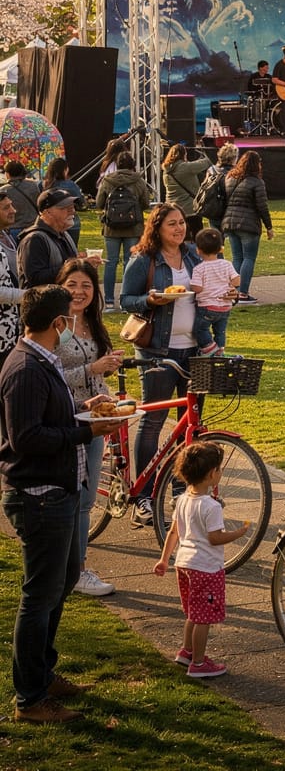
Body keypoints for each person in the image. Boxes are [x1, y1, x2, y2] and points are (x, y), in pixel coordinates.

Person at [0, 284, 119, 723]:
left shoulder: (42, 361)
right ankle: (30, 698)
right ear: (58, 324)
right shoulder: (26, 369)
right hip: (40, 497)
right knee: (39, 596)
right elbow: (26, 439)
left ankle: (44, 674)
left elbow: (50, 414)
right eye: (68, 319)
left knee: (63, 581)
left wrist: (86, 406)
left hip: (61, 491)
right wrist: (87, 431)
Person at [120, 204, 203, 526]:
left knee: (189, 424)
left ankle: (182, 492)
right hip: (157, 350)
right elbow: (126, 298)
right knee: (153, 421)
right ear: (157, 227)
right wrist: (150, 300)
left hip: (194, 350)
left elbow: (205, 291)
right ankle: (145, 497)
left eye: (182, 222)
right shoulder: (144, 259)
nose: (179, 228)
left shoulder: (194, 255)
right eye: (172, 224)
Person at [55, 258, 124, 598]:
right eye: (72, 285)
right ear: (60, 287)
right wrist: (90, 367)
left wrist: (107, 366)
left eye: (86, 285)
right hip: (67, 420)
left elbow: (97, 371)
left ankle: (76, 567)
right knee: (70, 499)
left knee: (85, 501)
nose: (79, 292)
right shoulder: (53, 325)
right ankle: (74, 570)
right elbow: (48, 378)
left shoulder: (93, 323)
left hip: (97, 420)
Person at [152, 440, 250, 679]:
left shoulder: (183, 499)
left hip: (183, 564)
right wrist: (238, 533)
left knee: (193, 614)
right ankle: (198, 663)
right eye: (219, 469)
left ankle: (186, 651)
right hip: (205, 567)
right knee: (203, 618)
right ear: (211, 474)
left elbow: (174, 531)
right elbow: (215, 538)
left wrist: (164, 559)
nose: (220, 473)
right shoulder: (211, 506)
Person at [95, 150, 150, 311]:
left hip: (111, 227)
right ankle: (126, 301)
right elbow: (146, 202)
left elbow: (99, 202)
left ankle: (110, 301)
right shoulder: (138, 180)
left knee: (111, 263)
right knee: (130, 263)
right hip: (133, 228)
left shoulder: (108, 180)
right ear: (133, 164)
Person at [220, 150, 271, 306]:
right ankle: (243, 293)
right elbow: (262, 206)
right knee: (249, 258)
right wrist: (269, 226)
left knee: (237, 258)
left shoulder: (230, 178)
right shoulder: (256, 182)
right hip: (248, 224)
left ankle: (235, 291)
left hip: (230, 222)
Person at [17, 188, 83, 288]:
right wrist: (73, 266)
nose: (72, 211)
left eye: (72, 207)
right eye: (65, 208)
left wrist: (83, 262)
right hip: (43, 302)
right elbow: (35, 279)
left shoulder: (63, 233)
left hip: (61, 301)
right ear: (47, 212)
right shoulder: (34, 239)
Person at [190, 228, 239, 356]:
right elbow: (236, 280)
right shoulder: (227, 264)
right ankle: (220, 350)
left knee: (200, 329)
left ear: (198, 250)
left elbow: (198, 288)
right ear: (220, 249)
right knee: (220, 331)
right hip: (225, 306)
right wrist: (229, 285)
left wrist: (192, 286)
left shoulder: (199, 269)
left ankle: (211, 349)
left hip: (207, 306)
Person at [162, 144, 207, 241]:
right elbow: (206, 162)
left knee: (177, 239)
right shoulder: (186, 167)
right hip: (190, 209)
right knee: (197, 238)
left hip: (172, 208)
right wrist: (206, 152)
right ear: (183, 155)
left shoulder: (166, 171)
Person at [0, 186, 21, 361]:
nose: (13, 210)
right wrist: (30, 295)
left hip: (10, 330)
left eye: (11, 205)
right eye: (6, 207)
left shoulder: (6, 235)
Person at [197, 143, 237, 231]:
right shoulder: (235, 172)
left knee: (216, 237)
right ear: (233, 158)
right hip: (229, 210)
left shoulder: (211, 170)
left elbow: (205, 186)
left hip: (213, 207)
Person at [3, 161, 42, 229]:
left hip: (14, 229)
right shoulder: (33, 185)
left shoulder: (3, 191)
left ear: (7, 174)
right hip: (34, 227)